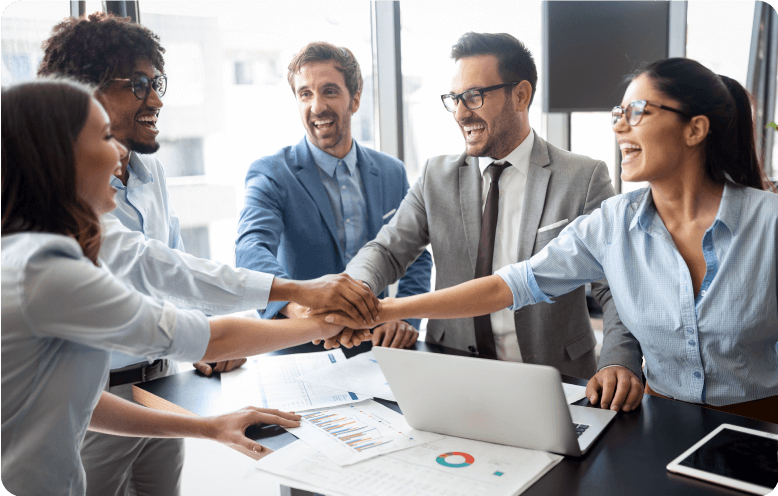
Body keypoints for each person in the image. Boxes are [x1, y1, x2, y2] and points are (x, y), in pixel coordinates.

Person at [36, 14, 376, 496]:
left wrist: (205, 393)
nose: (156, 98)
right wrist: (305, 299)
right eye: (138, 84)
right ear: (83, 94)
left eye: (157, 83)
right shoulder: (54, 220)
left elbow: (172, 268)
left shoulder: (149, 172)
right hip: (104, 391)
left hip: (156, 387)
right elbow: (157, 267)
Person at [328, 58, 778, 422]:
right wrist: (380, 309)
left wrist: (617, 360)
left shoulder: (768, 224)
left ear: (695, 129)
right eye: (618, 114)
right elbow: (508, 285)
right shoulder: (612, 223)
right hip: (657, 425)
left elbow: (608, 297)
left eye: (637, 112)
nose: (620, 127)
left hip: (761, 427)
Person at [344, 32, 626, 378]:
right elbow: (387, 251)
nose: (461, 113)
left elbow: (615, 284)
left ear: (520, 95)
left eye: (474, 96)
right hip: (453, 368)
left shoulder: (583, 177)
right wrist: (352, 294)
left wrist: (617, 358)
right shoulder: (436, 175)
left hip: (557, 374)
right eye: (454, 99)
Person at [235, 41, 432, 349]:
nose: (316, 107)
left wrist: (404, 318)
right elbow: (250, 250)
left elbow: (416, 255)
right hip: (299, 347)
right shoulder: (270, 173)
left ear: (355, 99)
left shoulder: (391, 172)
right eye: (305, 94)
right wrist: (296, 306)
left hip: (378, 349)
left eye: (329, 91)